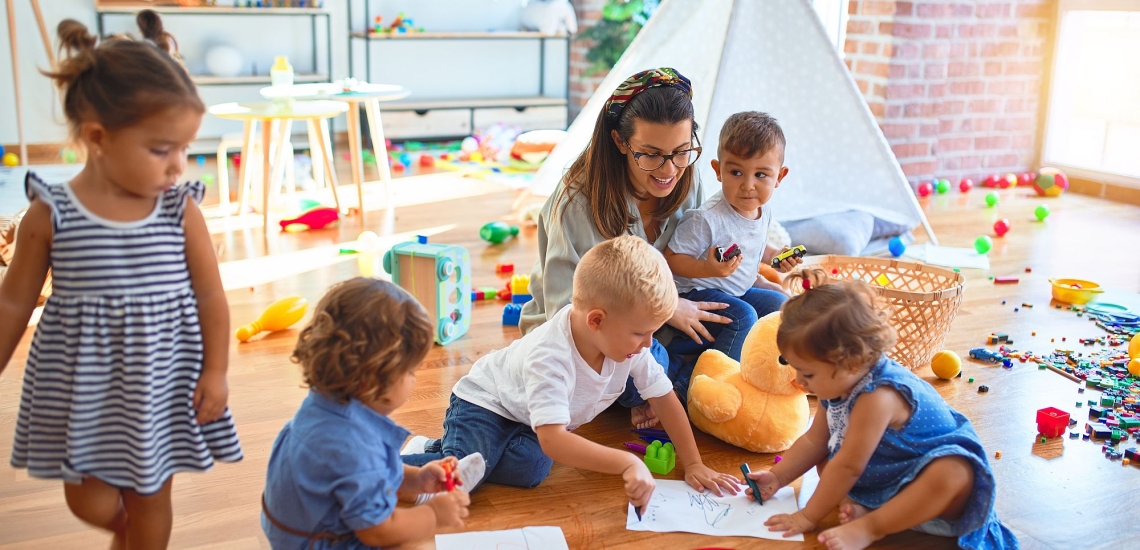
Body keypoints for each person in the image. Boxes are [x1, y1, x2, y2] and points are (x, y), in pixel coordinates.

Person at [0, 12, 242, 548]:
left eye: (184, 148)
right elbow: (13, 303)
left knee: (151, 498)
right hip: (81, 388)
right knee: (88, 501)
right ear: (98, 137)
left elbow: (210, 295)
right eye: (161, 149)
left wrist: (216, 371)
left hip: (161, 381)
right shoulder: (50, 212)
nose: (178, 166)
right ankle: (125, 533)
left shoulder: (179, 210)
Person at [403, 236, 741, 511]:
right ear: (596, 320)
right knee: (461, 476)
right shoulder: (551, 356)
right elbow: (553, 440)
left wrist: (693, 463)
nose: (649, 343)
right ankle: (395, 467)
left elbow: (664, 398)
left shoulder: (629, 345)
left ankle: (450, 448)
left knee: (532, 469)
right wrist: (627, 462)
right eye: (641, 333)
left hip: (527, 415)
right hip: (485, 403)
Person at [520, 67, 733, 428]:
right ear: (620, 142)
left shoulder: (686, 176)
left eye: (681, 151)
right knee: (645, 366)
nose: (669, 170)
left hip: (659, 325)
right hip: (599, 339)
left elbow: (695, 265)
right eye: (651, 154)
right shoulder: (576, 204)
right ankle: (681, 394)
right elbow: (568, 313)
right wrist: (667, 310)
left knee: (760, 310)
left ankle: (674, 389)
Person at [745, 269, 1019, 550]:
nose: (799, 381)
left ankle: (871, 526)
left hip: (935, 496)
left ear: (849, 361)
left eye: (808, 374)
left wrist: (807, 516)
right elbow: (814, 441)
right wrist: (778, 477)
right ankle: (872, 510)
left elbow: (850, 466)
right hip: (890, 475)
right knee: (826, 459)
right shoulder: (838, 383)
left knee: (954, 473)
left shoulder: (878, 396)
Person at [262, 278, 474, 548]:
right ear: (373, 379)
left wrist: (416, 479)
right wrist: (433, 515)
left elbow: (360, 476)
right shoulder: (352, 445)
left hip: (300, 529)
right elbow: (378, 531)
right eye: (410, 372)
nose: (414, 380)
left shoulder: (323, 405)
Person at [664, 111, 802, 362]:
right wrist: (707, 269)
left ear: (779, 177)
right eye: (736, 172)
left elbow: (755, 245)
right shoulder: (706, 218)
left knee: (781, 305)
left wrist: (776, 257)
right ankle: (711, 375)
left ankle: (761, 365)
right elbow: (671, 259)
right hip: (699, 292)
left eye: (761, 175)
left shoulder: (762, 210)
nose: (748, 185)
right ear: (718, 170)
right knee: (743, 317)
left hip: (737, 291)